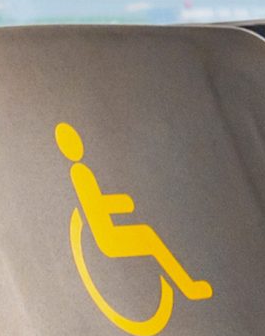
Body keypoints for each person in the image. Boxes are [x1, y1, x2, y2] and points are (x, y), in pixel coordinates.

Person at [56, 122, 212, 300]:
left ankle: (187, 286)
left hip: (108, 231)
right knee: (148, 236)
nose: (78, 144)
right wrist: (124, 203)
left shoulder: (82, 171)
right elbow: (95, 206)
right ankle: (188, 287)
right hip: (107, 236)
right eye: (72, 141)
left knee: (148, 236)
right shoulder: (80, 173)